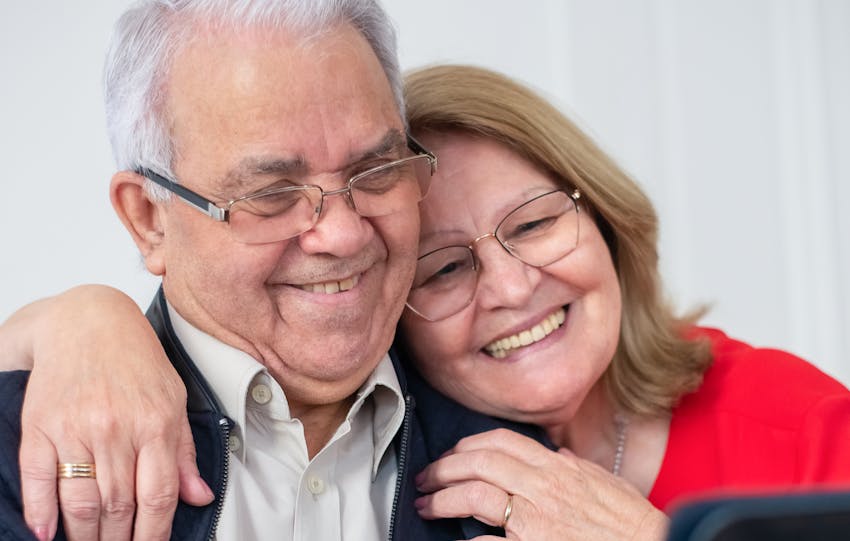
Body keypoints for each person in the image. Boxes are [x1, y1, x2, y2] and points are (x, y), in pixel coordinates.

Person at [5, 63, 850, 539]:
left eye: (537, 222)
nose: (513, 287)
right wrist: (82, 317)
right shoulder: (393, 435)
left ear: (605, 218)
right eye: (444, 270)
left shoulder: (796, 422)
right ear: (384, 304)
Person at [0, 2, 548, 540]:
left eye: (376, 172)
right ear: (149, 220)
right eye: (273, 194)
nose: (343, 234)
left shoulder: (521, 465)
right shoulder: (26, 453)